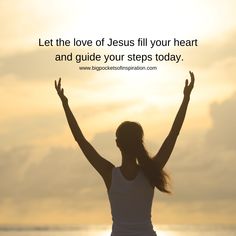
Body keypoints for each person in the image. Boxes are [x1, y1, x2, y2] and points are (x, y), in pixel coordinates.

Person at [54, 71, 195, 236]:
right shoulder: (150, 171)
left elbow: (81, 140)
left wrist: (65, 104)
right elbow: (173, 134)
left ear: (117, 143)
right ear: (139, 142)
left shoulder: (110, 173)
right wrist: (186, 98)